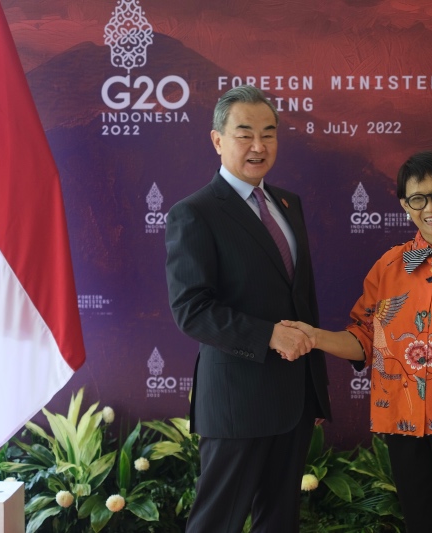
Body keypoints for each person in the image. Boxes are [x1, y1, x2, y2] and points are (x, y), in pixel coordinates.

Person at [284, 151, 432, 533]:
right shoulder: (388, 267)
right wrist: (314, 338)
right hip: (403, 426)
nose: (430, 208)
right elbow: (362, 339)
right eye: (418, 198)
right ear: (405, 205)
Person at [164, 85, 331, 533]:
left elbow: (302, 299)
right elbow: (191, 310)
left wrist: (314, 384)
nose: (259, 146)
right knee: (217, 522)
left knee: (279, 522)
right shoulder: (194, 213)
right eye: (245, 134)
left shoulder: (288, 204)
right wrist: (269, 335)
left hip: (293, 399)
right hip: (237, 403)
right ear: (217, 140)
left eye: (269, 134)